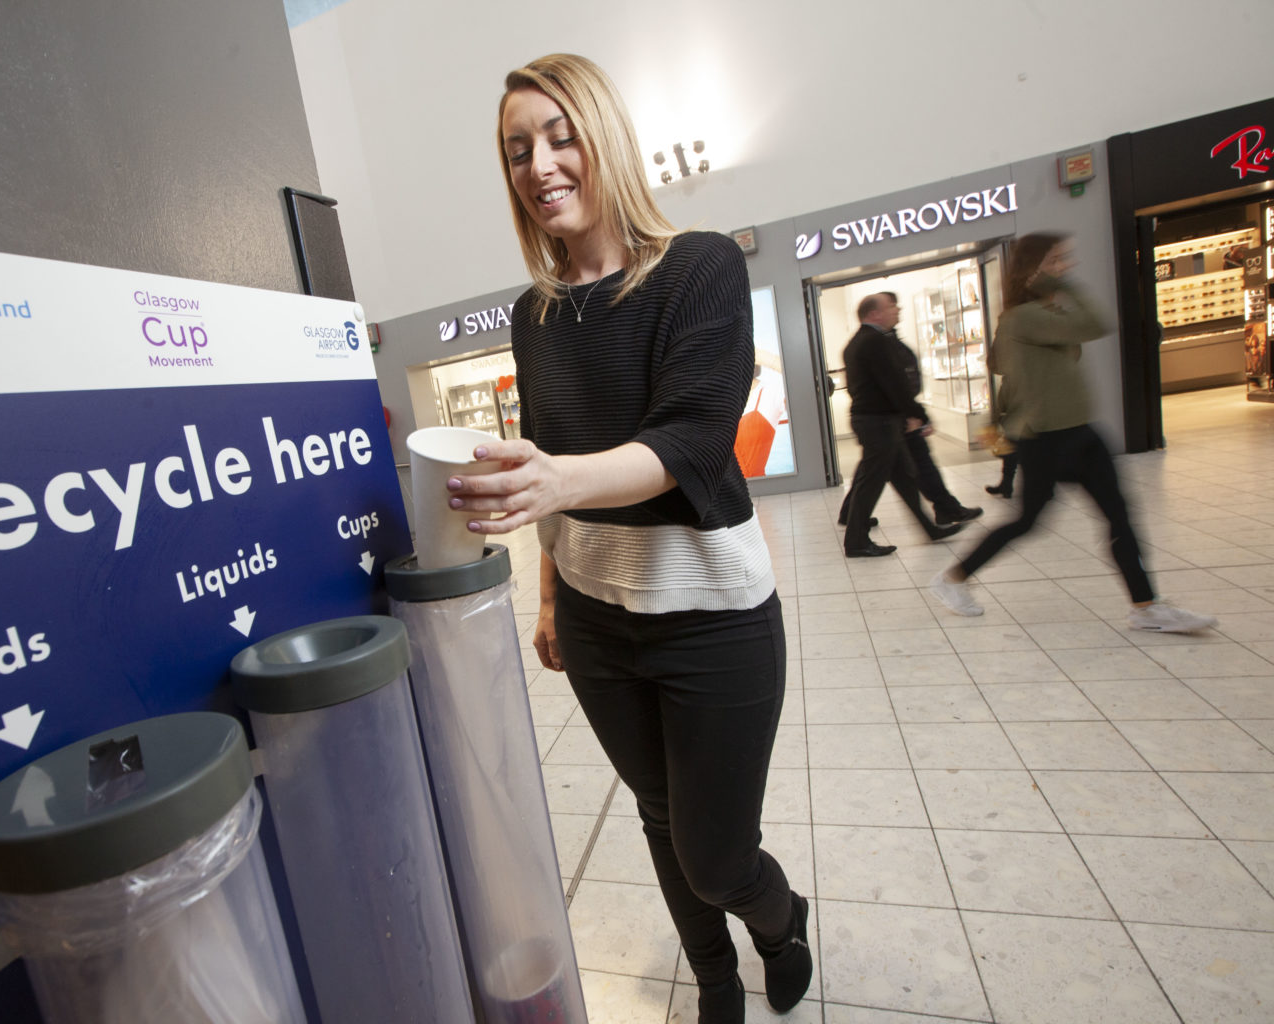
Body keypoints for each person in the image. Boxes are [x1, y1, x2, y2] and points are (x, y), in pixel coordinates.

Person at [442, 53, 810, 1022]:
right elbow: (550, 460)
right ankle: (717, 980)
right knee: (656, 815)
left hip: (712, 615)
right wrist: (551, 593)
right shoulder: (536, 312)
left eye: (560, 135)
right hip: (600, 620)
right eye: (519, 149)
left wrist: (554, 477)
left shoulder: (699, 266)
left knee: (717, 851)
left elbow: (689, 439)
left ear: (604, 136)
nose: (541, 164)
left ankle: (779, 921)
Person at [929, 233, 1217, 633]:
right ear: (1034, 268)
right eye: (1057, 259)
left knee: (1119, 515)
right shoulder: (1024, 318)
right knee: (1028, 521)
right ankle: (952, 578)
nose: (1067, 267)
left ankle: (1145, 606)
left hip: (1079, 432)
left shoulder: (1040, 314)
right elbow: (1097, 323)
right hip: (1046, 438)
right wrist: (1062, 287)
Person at [837, 292, 983, 529]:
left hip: (884, 419)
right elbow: (892, 384)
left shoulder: (865, 341)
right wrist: (916, 414)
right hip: (887, 420)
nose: (897, 311)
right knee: (897, 472)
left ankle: (932, 523)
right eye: (892, 307)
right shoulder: (875, 341)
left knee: (888, 474)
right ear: (875, 313)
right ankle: (858, 532)